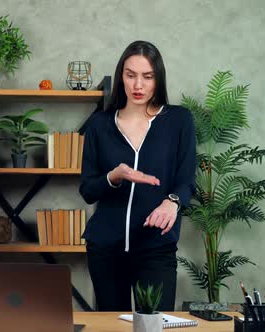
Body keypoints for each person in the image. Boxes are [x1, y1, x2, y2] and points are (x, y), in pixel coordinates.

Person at [79, 40, 196, 312]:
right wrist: (114, 176)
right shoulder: (100, 125)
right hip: (105, 250)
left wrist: (172, 202)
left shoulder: (179, 120)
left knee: (153, 325)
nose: (138, 85)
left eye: (147, 76)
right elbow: (88, 190)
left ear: (158, 79)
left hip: (155, 247)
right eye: (130, 75)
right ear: (122, 76)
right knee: (111, 329)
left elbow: (187, 178)